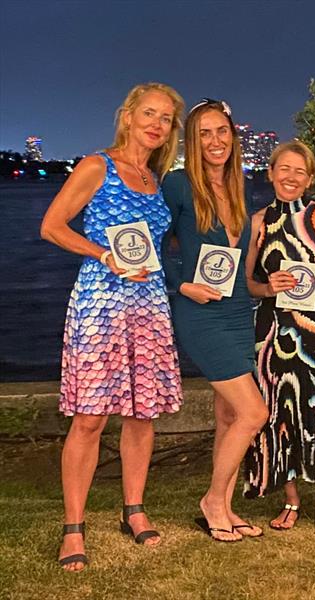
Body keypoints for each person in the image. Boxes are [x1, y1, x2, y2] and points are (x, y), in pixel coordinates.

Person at [41, 83, 185, 571]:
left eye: (166, 119)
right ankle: (73, 527)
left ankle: (134, 510)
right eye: (149, 113)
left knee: (142, 414)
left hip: (148, 304)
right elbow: (53, 226)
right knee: (90, 418)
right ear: (127, 116)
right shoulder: (96, 166)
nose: (156, 124)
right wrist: (102, 253)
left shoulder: (155, 176)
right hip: (102, 304)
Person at [162, 98, 268, 542]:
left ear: (233, 136)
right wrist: (181, 284)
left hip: (237, 307)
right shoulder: (177, 184)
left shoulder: (239, 185)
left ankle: (222, 506)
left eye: (221, 131)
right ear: (191, 139)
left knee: (229, 414)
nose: (214, 141)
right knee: (253, 412)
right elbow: (148, 245)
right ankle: (211, 500)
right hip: (201, 312)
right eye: (204, 133)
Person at [242, 141, 315, 534]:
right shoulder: (258, 222)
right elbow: (247, 284)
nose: (291, 177)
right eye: (283, 169)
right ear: (270, 173)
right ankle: (289, 497)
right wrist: (267, 287)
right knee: (279, 414)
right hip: (273, 332)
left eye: (299, 171)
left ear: (311, 178)